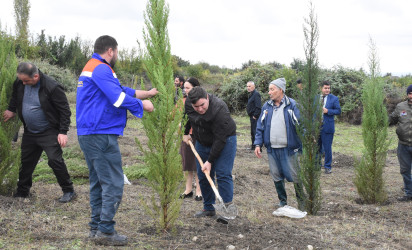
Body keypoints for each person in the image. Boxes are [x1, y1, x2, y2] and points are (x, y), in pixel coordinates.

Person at [76, 35, 157, 246]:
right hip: (100, 134)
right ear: (110, 50)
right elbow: (118, 98)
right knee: (113, 182)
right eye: (117, 51)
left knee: (98, 182)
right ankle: (105, 230)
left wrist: (146, 93)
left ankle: (96, 228)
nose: (117, 55)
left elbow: (121, 90)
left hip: (89, 133)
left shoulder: (92, 67)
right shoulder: (102, 68)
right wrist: (142, 105)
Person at [2, 62, 76, 203]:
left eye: (26, 81)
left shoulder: (52, 86)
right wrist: (11, 109)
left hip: (48, 131)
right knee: (25, 162)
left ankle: (69, 190)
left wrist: (63, 131)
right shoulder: (20, 82)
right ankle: (23, 192)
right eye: (21, 80)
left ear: (35, 76)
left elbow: (65, 111)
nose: (23, 83)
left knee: (55, 160)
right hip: (30, 131)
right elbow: (15, 96)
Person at [182, 86, 237, 221]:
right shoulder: (189, 103)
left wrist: (210, 160)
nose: (200, 109)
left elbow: (220, 139)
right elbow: (188, 117)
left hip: (224, 140)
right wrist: (185, 132)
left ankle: (226, 211)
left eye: (202, 105)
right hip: (201, 141)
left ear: (207, 97)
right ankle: (208, 208)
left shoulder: (219, 108)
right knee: (203, 175)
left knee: (223, 173)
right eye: (196, 107)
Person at [253, 78, 304, 210]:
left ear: (281, 90)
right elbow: (260, 126)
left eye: (272, 89)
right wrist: (258, 144)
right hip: (272, 149)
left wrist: (306, 142)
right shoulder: (267, 106)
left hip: (289, 149)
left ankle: (302, 202)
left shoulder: (292, 105)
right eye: (269, 89)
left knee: (295, 175)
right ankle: (282, 201)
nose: (269, 92)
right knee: (276, 175)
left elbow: (301, 125)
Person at [180, 77, 202, 201]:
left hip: (198, 135)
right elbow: (185, 117)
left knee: (198, 163)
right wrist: (184, 132)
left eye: (188, 88)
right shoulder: (187, 101)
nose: (185, 90)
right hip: (187, 135)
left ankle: (199, 190)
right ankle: (188, 190)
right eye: (185, 88)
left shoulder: (201, 101)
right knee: (187, 163)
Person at [389, 84, 412, 202]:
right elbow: (391, 119)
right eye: (410, 93)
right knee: (405, 170)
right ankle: (409, 193)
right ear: (407, 94)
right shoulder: (400, 107)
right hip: (403, 145)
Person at [318, 80, 341, 174]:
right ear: (321, 88)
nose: (327, 90)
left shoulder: (334, 99)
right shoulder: (316, 98)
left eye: (329, 88)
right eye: (325, 88)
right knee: (317, 148)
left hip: (327, 127)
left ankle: (327, 167)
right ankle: (317, 166)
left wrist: (328, 111)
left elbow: (338, 111)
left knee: (327, 148)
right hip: (316, 127)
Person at [246, 81, 261, 150]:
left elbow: (258, 106)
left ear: (253, 87)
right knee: (252, 131)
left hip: (255, 117)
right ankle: (253, 146)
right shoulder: (251, 94)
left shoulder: (256, 94)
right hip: (251, 116)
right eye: (247, 86)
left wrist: (255, 115)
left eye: (249, 86)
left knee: (255, 132)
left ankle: (258, 147)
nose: (248, 88)